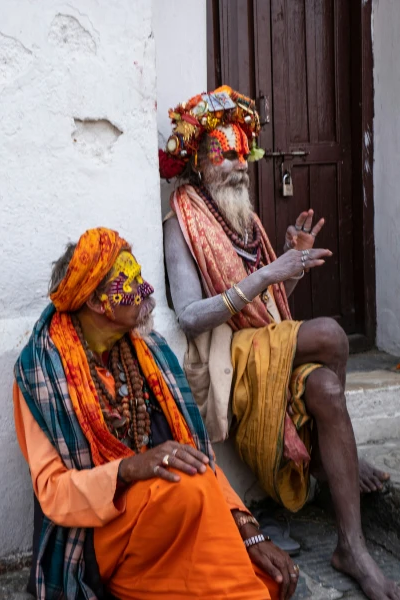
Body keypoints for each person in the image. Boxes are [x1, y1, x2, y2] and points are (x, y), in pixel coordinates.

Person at [161, 86, 398, 600]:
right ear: (199, 162)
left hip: (266, 342)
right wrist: (271, 271)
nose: (239, 166)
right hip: (228, 353)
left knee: (328, 394)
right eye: (226, 155)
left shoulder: (242, 218)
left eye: (243, 155)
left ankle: (351, 546)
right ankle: (343, 464)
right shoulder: (181, 221)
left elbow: (270, 304)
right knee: (332, 333)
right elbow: (188, 315)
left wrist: (292, 261)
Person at [13, 227, 298, 600]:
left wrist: (248, 527)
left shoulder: (149, 352)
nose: (147, 291)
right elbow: (53, 493)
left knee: (271, 579)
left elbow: (198, 456)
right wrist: (129, 468)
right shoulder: (41, 371)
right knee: (190, 491)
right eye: (130, 282)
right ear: (98, 303)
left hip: (169, 514)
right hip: (98, 539)